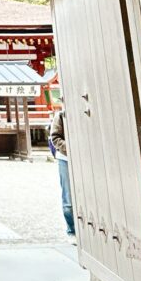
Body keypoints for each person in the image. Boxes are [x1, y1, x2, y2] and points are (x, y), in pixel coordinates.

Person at [49, 97, 76, 241]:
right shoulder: (60, 116)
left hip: (82, 158)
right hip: (65, 158)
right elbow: (55, 137)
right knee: (68, 198)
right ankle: (72, 230)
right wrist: (71, 147)